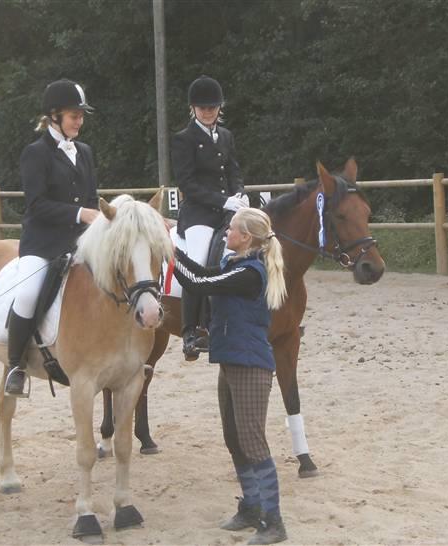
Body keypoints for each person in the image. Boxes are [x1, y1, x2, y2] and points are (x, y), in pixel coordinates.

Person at [171, 207, 289, 545]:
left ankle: (274, 521)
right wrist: (172, 245)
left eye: (232, 230)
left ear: (246, 238)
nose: (226, 234)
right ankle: (251, 506)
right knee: (233, 437)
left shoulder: (250, 273)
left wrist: (167, 251)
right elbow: (201, 272)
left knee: (252, 441)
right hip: (231, 360)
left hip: (251, 364)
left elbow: (197, 282)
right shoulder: (233, 265)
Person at [5, 79, 100, 397]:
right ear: (54, 116)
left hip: (80, 242)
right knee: (29, 293)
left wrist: (96, 219)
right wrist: (79, 214)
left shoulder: (84, 152)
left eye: (82, 116)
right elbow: (37, 204)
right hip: (43, 243)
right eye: (75, 115)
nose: (80, 121)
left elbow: (91, 198)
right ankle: (15, 365)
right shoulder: (35, 153)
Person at [171, 75, 249, 361]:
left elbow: (234, 171)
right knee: (200, 261)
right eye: (202, 107)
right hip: (198, 213)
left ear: (219, 107)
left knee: (253, 250)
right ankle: (191, 331)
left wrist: (240, 194)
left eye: (212, 107)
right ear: (193, 108)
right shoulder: (184, 139)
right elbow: (187, 183)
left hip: (228, 211)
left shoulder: (226, 136)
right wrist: (223, 199)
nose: (207, 111)